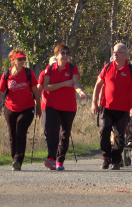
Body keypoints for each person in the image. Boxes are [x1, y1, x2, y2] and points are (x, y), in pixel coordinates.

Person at [92, 43, 132, 170]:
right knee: (104, 131)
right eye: (114, 52)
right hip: (106, 107)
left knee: (119, 135)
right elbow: (98, 85)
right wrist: (94, 102)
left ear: (125, 55)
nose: (115, 54)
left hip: (124, 109)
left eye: (118, 52)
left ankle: (116, 159)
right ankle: (106, 157)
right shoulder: (108, 67)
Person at [43, 43, 87, 171]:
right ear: (56, 55)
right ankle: (51, 157)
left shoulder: (73, 68)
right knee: (53, 132)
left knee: (65, 134)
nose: (66, 56)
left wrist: (80, 91)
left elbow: (76, 82)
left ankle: (60, 160)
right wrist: (63, 84)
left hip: (69, 106)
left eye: (67, 53)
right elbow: (46, 87)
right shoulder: (49, 69)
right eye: (63, 53)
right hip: (52, 105)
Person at [0, 49, 41, 171]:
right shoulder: (7, 74)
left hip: (27, 107)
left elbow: (35, 91)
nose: (22, 61)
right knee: (12, 134)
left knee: (20, 131)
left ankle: (18, 160)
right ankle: (14, 159)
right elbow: (0, 91)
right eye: (19, 59)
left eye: (24, 59)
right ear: (13, 60)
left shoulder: (28, 73)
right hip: (10, 108)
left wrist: (39, 108)